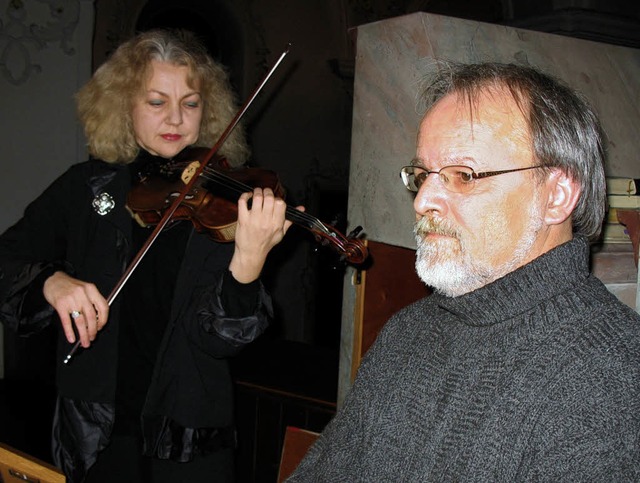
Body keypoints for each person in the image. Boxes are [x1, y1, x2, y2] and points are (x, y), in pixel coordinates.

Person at [287, 62, 640, 481]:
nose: (423, 201)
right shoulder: (408, 332)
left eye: (464, 176)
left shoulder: (612, 373)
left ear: (556, 196)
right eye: (423, 175)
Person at [0, 29, 299, 483]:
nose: (176, 117)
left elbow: (218, 342)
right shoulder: (85, 189)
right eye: (157, 101)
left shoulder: (222, 201)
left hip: (190, 445)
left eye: (191, 102)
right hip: (98, 436)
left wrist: (249, 262)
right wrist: (51, 281)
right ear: (124, 106)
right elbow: (6, 259)